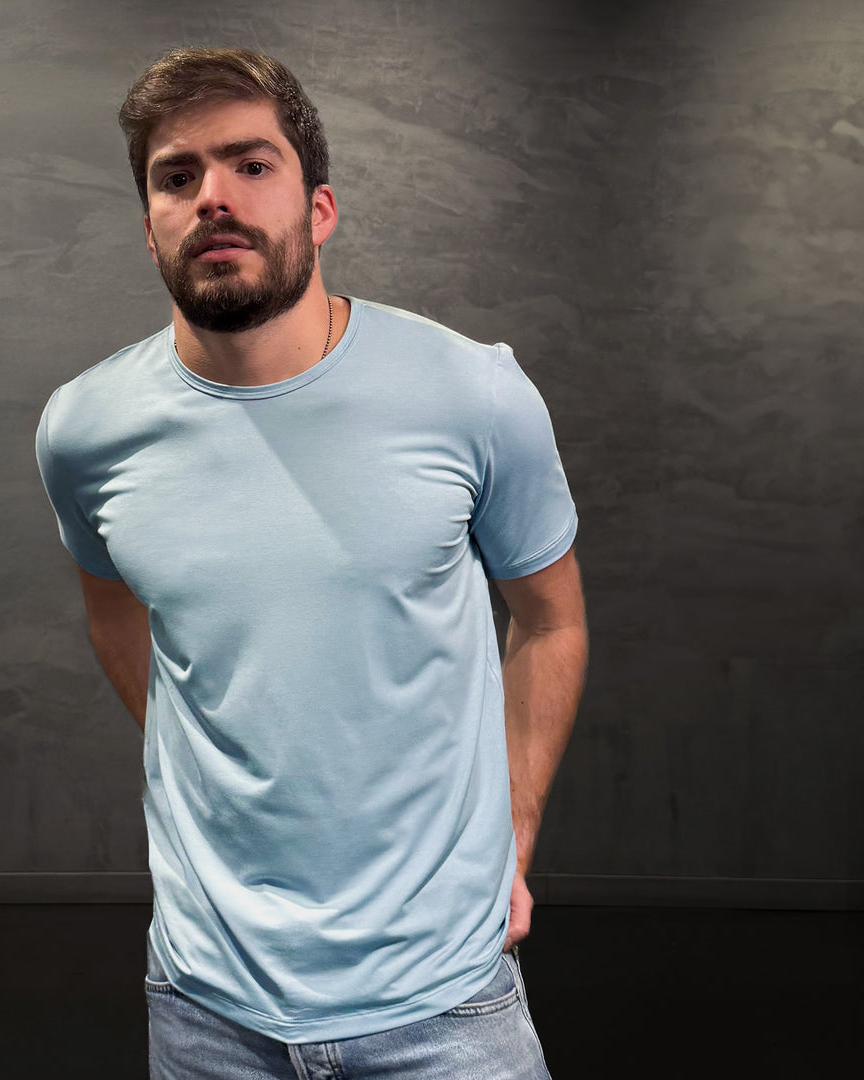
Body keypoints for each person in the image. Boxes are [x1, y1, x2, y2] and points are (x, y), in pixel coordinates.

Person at [36, 47, 587, 1080]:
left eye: (251, 164)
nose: (214, 197)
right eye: (177, 175)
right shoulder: (84, 431)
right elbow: (114, 610)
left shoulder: (473, 395)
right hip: (207, 1010)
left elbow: (552, 618)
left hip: (446, 1006)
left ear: (319, 208)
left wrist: (513, 825)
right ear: (149, 224)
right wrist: (212, 749)